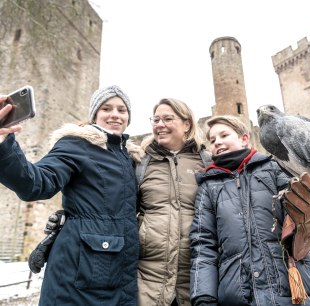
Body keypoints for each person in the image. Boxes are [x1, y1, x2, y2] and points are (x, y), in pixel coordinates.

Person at [0, 85, 139, 306]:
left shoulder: (130, 157)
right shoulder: (76, 144)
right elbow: (36, 183)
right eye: (106, 108)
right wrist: (4, 145)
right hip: (79, 274)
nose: (115, 114)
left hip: (117, 274)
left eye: (122, 110)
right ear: (95, 114)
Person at [189, 115, 310, 306]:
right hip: (237, 292)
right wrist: (204, 297)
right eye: (212, 140)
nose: (217, 142)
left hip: (288, 286)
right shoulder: (209, 187)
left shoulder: (275, 169)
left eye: (224, 135)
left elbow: (302, 220)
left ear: (244, 138)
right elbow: (203, 245)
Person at [136, 98, 211, 306]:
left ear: (187, 124)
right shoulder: (141, 163)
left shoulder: (207, 162)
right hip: (148, 279)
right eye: (156, 119)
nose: (160, 124)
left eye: (168, 119)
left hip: (195, 279)